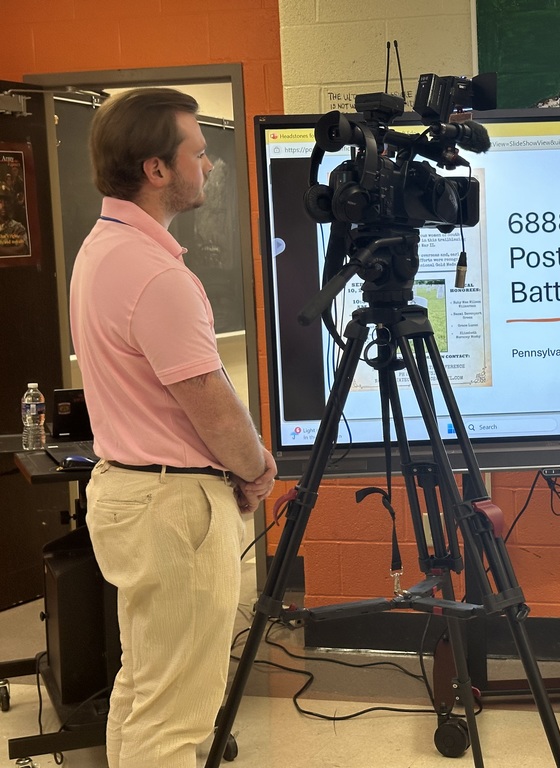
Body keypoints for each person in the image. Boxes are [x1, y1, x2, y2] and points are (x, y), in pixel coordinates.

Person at [69, 88, 277, 768]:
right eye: (198, 152)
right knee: (174, 716)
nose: (209, 164)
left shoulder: (102, 250)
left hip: (133, 493)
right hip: (173, 507)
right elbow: (208, 403)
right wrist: (256, 467)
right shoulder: (155, 273)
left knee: (144, 689)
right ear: (157, 169)